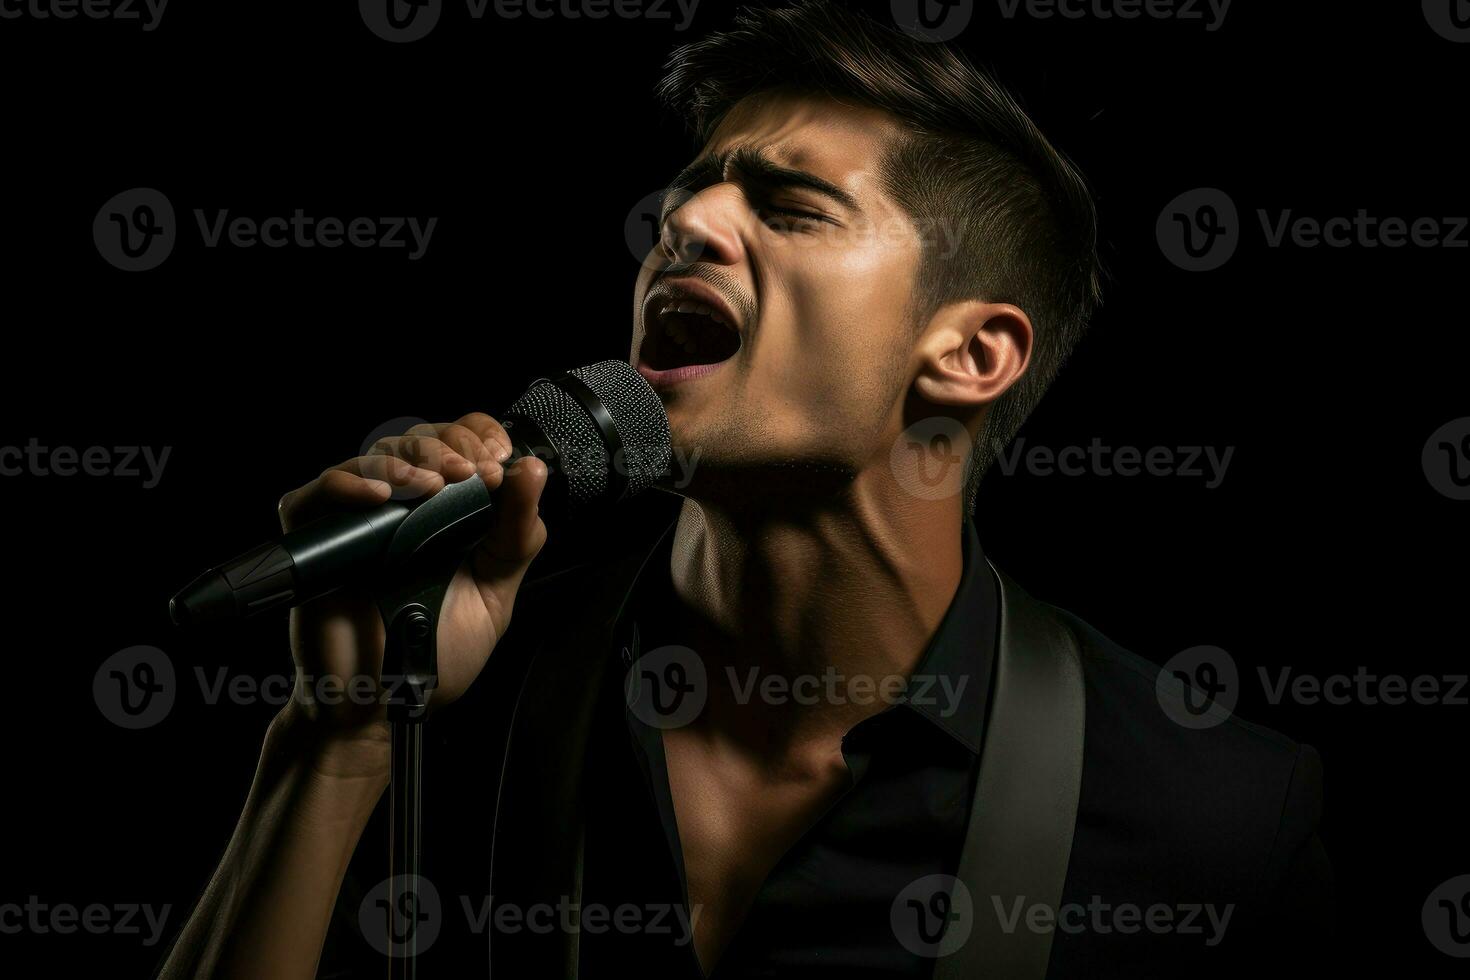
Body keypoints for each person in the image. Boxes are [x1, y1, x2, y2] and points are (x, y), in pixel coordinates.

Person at [155, 2, 1330, 977]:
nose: (686, 222)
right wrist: (339, 738)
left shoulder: (1214, 813)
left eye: (790, 207)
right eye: (687, 200)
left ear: (972, 354)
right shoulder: (455, 686)